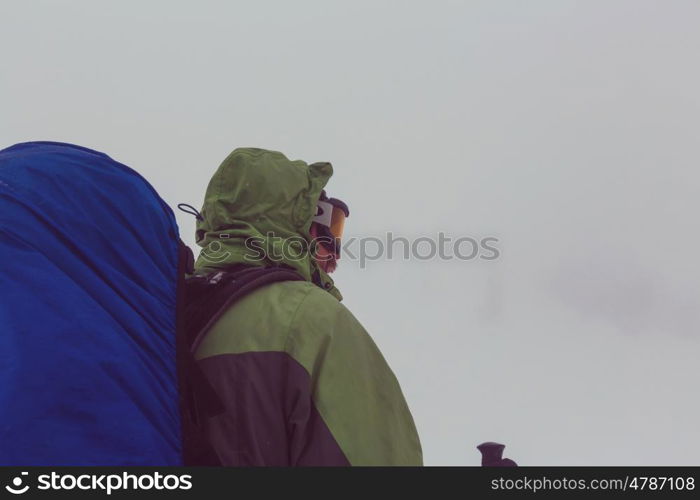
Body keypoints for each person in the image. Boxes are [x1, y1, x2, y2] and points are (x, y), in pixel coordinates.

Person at [190, 147, 422, 466]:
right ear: (300, 223)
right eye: (331, 231)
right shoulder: (313, 322)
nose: (336, 254)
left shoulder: (167, 313)